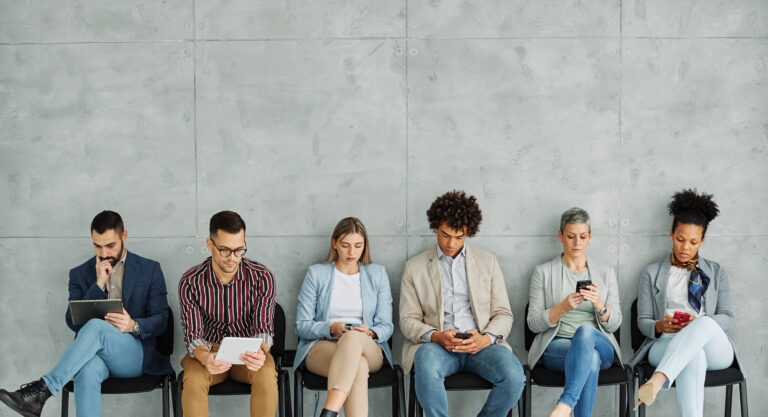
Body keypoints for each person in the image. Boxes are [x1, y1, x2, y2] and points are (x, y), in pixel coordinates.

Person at [0, 211, 172, 417]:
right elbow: (72, 322)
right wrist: (98, 284)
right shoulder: (80, 273)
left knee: (96, 327)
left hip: (135, 355)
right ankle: (38, 395)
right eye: (97, 246)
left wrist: (133, 325)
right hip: (96, 356)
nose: (104, 253)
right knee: (86, 369)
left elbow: (161, 320)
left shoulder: (150, 269)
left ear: (124, 236)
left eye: (111, 246)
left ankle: (42, 391)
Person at [399, 190, 526, 417]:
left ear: (469, 233)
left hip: (481, 345)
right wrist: (436, 336)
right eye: (445, 235)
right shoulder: (414, 267)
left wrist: (486, 338)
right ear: (435, 227)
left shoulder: (488, 262)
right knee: (424, 361)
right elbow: (408, 320)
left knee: (515, 376)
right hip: (438, 347)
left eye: (459, 237)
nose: (451, 244)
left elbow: (503, 313)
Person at [631, 189, 736, 417]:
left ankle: (658, 380)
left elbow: (727, 316)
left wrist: (697, 323)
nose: (685, 247)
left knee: (704, 323)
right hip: (666, 344)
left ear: (702, 241)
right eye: (680, 239)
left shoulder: (717, 272)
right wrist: (660, 326)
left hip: (715, 349)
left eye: (693, 242)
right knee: (692, 354)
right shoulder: (652, 273)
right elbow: (643, 321)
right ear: (671, 234)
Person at [178, 210, 278, 417]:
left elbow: (264, 328)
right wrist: (206, 358)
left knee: (266, 374)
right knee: (194, 380)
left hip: (249, 349)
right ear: (209, 244)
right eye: (224, 250)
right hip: (209, 351)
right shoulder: (190, 281)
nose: (233, 258)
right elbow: (193, 335)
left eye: (239, 250)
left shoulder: (262, 277)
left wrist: (261, 352)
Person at [527, 207, 622, 417]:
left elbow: (614, 324)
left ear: (590, 237)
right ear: (560, 236)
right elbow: (533, 323)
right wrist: (562, 308)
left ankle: (565, 404)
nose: (577, 243)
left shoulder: (606, 273)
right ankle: (569, 409)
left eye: (582, 236)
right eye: (571, 237)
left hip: (601, 343)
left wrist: (599, 304)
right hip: (557, 346)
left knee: (585, 333)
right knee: (592, 359)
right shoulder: (543, 272)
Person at [294, 217, 394, 417]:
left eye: (358, 246)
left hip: (368, 346)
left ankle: (330, 410)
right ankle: (330, 412)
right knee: (358, 367)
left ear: (365, 246)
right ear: (334, 244)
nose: (352, 252)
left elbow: (387, 325)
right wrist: (330, 328)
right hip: (322, 346)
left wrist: (370, 331)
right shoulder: (316, 274)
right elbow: (302, 326)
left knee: (353, 338)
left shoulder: (378, 274)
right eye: (345, 245)